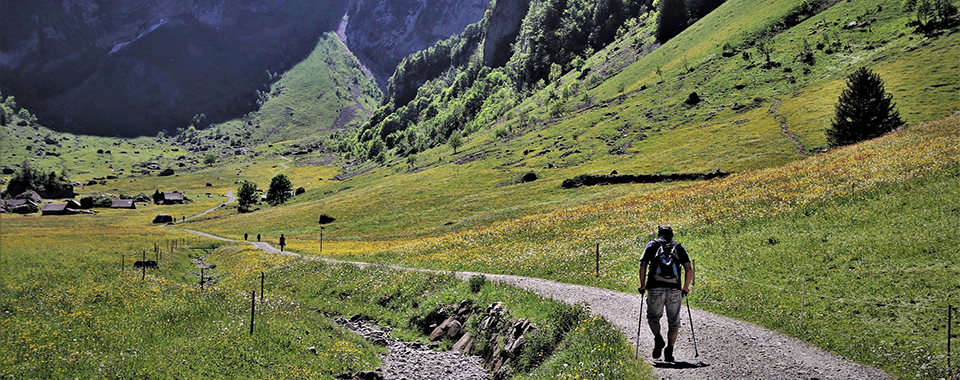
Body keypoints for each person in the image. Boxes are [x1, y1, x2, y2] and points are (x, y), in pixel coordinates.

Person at [638, 225, 693, 362]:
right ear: (672, 234)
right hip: (674, 288)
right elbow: (688, 269)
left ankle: (658, 338)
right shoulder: (678, 247)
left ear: (659, 234)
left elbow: (643, 265)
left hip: (655, 287)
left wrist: (643, 285)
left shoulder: (652, 245)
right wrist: (685, 287)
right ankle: (670, 350)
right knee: (674, 321)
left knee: (653, 317)